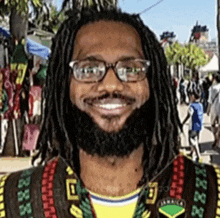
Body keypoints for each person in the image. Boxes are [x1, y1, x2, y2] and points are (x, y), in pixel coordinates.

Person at [1, 7, 220, 218]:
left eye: (131, 69)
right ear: (63, 86)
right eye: (88, 69)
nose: (111, 84)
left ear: (153, 84)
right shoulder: (9, 202)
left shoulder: (213, 195)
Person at [182, 90, 203, 162]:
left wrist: (183, 122)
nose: (190, 97)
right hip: (199, 125)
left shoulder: (192, 106)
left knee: (192, 140)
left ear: (194, 97)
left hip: (193, 125)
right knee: (196, 139)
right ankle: (191, 153)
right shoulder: (201, 105)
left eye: (191, 96)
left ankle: (198, 155)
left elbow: (189, 115)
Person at [207, 73, 220, 148]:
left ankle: (215, 137)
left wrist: (207, 110)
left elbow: (210, 100)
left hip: (214, 108)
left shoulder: (212, 88)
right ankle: (218, 135)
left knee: (212, 124)